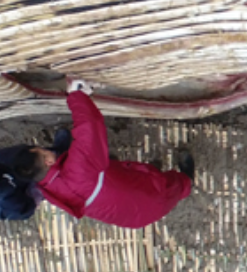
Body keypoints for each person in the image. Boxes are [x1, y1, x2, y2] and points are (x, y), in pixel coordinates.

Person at [26, 79, 195, 228]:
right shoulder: (78, 170)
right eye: (43, 150)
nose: (46, 149)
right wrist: (77, 94)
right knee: (172, 185)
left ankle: (142, 170)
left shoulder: (49, 188)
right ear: (48, 160)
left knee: (117, 171)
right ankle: (188, 181)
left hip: (130, 218)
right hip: (152, 199)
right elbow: (89, 126)